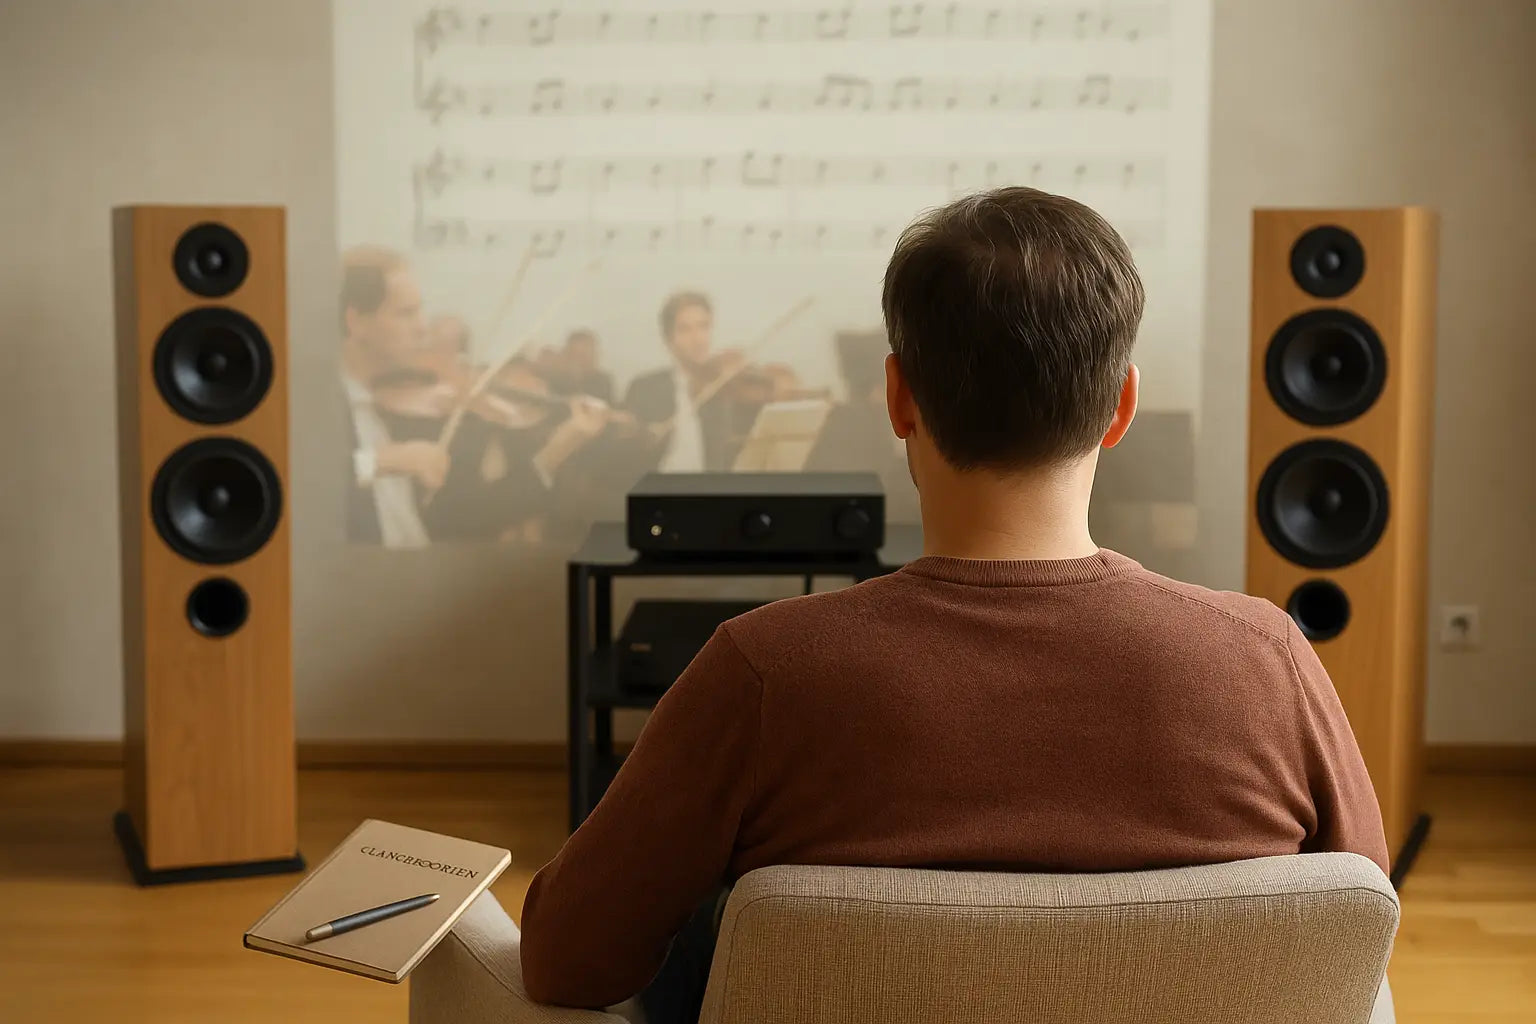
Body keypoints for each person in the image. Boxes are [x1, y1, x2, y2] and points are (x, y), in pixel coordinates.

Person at [518, 188, 1388, 1019]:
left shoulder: (762, 673)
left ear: (899, 398)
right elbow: (1352, 936)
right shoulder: (1263, 658)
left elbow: (567, 960)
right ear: (1122, 404)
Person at [339, 245, 448, 549]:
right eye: (406, 313)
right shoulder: (314, 400)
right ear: (356, 321)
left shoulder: (389, 405)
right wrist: (386, 460)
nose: (422, 327)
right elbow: (301, 484)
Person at [623, 291, 736, 472]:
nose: (698, 339)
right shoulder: (644, 388)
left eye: (703, 327)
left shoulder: (722, 388)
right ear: (669, 339)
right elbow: (630, 460)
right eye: (685, 329)